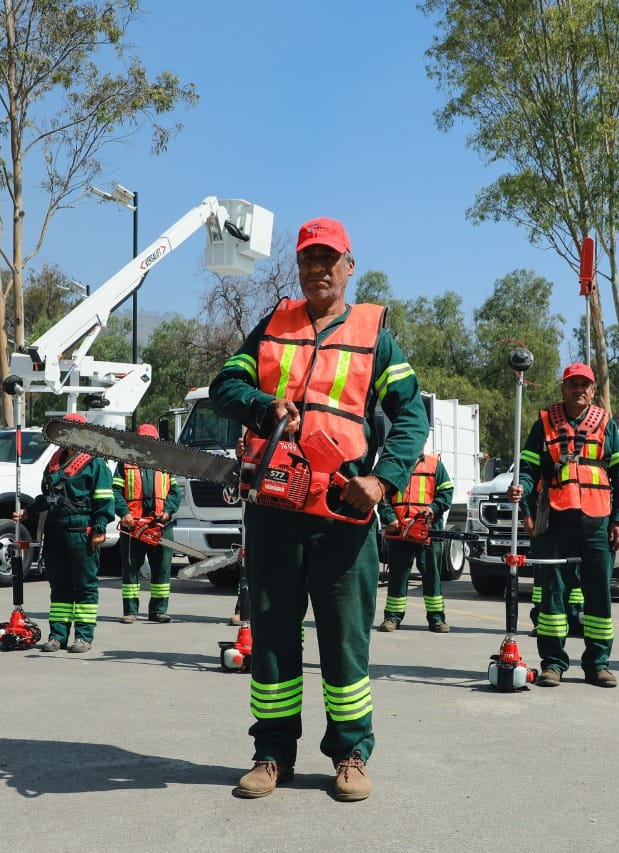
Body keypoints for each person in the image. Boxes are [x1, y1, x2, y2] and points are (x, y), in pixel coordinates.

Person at [210, 216, 428, 802]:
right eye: (309, 258)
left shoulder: (373, 333)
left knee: (344, 638)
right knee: (275, 637)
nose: (318, 268)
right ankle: (271, 754)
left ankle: (352, 754)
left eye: (329, 258)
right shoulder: (271, 325)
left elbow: (412, 416)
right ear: (299, 266)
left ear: (349, 266)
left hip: (343, 517)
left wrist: (383, 481)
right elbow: (224, 387)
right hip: (276, 510)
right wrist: (264, 405)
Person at [507, 362, 619, 688]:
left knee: (598, 595)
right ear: (563, 388)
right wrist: (526, 507)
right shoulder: (545, 422)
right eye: (573, 384)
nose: (579, 389)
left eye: (585, 385)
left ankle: (597, 664)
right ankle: (553, 663)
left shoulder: (606, 423)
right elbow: (529, 469)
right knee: (552, 597)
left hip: (597, 521)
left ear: (593, 389)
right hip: (557, 521)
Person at [17, 412, 114, 653]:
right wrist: (29, 511)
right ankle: (57, 636)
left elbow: (104, 500)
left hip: (81, 531)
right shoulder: (54, 462)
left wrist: (99, 528)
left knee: (84, 586)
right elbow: (47, 496)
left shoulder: (95, 464)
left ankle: (83, 637)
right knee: (59, 586)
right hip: (55, 532)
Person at [112, 423, 183, 624]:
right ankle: (130, 611)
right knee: (130, 569)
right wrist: (124, 513)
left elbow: (175, 493)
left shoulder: (166, 464)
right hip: (132, 525)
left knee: (162, 569)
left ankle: (159, 610)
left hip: (161, 526)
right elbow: (115, 491)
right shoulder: (124, 464)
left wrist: (168, 511)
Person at [377, 452, 454, 633]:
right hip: (399, 531)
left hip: (428, 529)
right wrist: (390, 518)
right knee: (398, 575)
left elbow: (446, 493)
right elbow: (382, 496)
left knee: (431, 575)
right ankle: (392, 618)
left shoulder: (435, 465)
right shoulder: (393, 464)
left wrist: (433, 509)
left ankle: (436, 619)